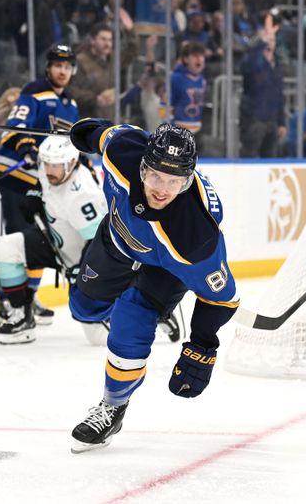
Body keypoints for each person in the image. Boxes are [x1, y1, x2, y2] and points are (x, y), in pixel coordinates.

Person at [65, 119, 239, 453]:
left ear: (187, 180)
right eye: (156, 176)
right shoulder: (122, 151)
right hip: (119, 241)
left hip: (167, 266)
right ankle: (131, 304)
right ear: (142, 166)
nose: (162, 189)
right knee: (83, 310)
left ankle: (112, 406)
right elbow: (104, 134)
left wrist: (203, 345)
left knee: (130, 318)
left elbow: (223, 299)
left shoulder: (195, 238)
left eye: (175, 181)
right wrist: (86, 133)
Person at [0, 44, 80, 324]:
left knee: (41, 239)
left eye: (67, 67)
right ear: (48, 68)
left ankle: (29, 296)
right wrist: (28, 147)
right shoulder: (34, 91)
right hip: (16, 177)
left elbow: (71, 143)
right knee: (18, 240)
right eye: (57, 65)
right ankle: (8, 301)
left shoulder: (71, 105)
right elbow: (15, 126)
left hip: (42, 182)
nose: (62, 71)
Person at [0, 136, 108, 345]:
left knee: (99, 339)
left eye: (55, 165)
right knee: (5, 248)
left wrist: (83, 270)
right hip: (53, 242)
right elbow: (41, 186)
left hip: (83, 261)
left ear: (71, 163)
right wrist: (35, 197)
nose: (49, 170)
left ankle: (143, 312)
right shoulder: (48, 172)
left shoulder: (83, 195)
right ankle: (21, 314)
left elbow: (100, 242)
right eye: (46, 164)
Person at [239, 14, 286, 158]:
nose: (270, 42)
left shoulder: (277, 66)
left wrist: (281, 122)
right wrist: (262, 41)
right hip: (254, 120)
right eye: (268, 39)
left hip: (272, 120)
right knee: (250, 156)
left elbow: (279, 95)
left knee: (271, 158)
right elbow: (247, 65)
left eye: (273, 40)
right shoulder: (254, 62)